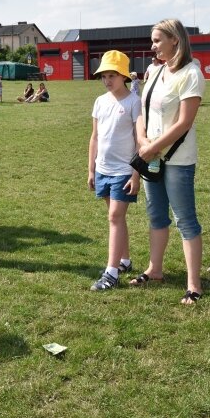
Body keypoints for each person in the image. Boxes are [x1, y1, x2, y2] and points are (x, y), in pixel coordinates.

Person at [132, 18, 205, 305]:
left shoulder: (191, 74)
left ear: (176, 40)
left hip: (177, 159)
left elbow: (185, 122)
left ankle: (194, 284)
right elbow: (142, 112)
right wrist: (142, 142)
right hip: (151, 155)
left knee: (185, 220)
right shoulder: (155, 71)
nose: (153, 46)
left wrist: (153, 148)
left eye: (158, 40)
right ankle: (155, 269)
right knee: (156, 216)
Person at [87, 50, 141, 291]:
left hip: (123, 171)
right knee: (116, 217)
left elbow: (140, 141)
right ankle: (124, 260)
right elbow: (95, 137)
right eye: (104, 76)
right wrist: (91, 169)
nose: (107, 80)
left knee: (114, 218)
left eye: (112, 75)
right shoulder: (100, 101)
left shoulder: (134, 102)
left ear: (123, 76)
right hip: (102, 169)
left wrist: (136, 173)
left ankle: (111, 273)